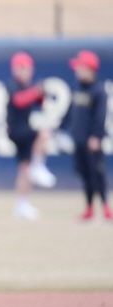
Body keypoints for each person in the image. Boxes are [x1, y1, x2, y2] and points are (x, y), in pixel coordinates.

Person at [60, 50, 111, 221]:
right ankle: (89, 208)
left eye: (80, 68)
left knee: (97, 174)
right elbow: (70, 112)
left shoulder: (99, 91)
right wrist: (60, 128)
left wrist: (96, 136)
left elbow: (100, 116)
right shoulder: (77, 87)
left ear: (90, 69)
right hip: (79, 140)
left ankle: (105, 207)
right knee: (85, 174)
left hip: (92, 141)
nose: (77, 71)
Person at [6, 51, 57, 220]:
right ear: (15, 70)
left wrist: (42, 93)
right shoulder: (13, 86)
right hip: (17, 131)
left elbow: (41, 103)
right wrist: (36, 91)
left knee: (23, 169)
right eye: (21, 69)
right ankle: (39, 166)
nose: (24, 72)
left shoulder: (29, 88)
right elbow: (19, 100)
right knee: (43, 134)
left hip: (23, 130)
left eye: (27, 69)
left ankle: (22, 204)